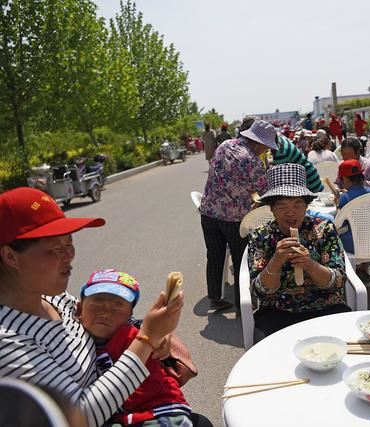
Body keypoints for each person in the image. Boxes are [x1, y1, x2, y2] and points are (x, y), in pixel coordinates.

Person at [0, 187, 184, 427]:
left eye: (70, 245)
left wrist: (151, 334)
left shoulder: (54, 298)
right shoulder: (8, 341)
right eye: (56, 249)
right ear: (11, 257)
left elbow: (104, 325)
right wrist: (146, 340)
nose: (69, 257)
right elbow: (79, 417)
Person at [248, 164, 351, 339]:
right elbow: (261, 291)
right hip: (277, 311)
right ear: (271, 209)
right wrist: (277, 260)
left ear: (306, 205)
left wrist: (308, 263)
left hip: (326, 307)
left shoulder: (323, 229)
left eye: (297, 204)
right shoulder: (261, 235)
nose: (290, 212)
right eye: (281, 206)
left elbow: (337, 282)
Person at [78, 269, 191, 426]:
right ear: (79, 307)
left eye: (117, 306)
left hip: (159, 411)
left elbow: (151, 384)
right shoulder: (74, 336)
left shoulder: (134, 338)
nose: (105, 312)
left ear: (129, 315)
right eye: (97, 301)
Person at [200, 119, 276, 314]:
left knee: (214, 256)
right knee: (241, 259)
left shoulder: (225, 145)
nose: (265, 151)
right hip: (233, 219)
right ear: (259, 142)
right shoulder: (252, 161)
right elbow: (264, 192)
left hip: (208, 212)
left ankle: (215, 298)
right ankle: (243, 305)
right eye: (266, 147)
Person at [336, 159, 370, 253]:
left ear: (346, 180)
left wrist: (338, 204)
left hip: (353, 244)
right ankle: (365, 267)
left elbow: (340, 224)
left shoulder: (345, 197)